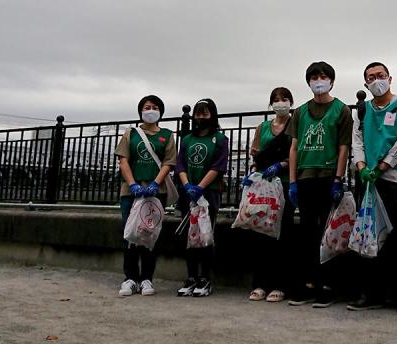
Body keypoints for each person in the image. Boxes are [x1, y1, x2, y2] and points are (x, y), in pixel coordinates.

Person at [349, 62, 397, 316]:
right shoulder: (362, 111)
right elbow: (356, 140)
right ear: (366, 83)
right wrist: (361, 166)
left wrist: (382, 166)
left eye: (380, 75)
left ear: (390, 78)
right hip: (367, 180)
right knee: (368, 237)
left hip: (395, 179)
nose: (376, 80)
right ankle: (370, 292)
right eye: (371, 77)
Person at [287, 61, 353, 308]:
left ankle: (328, 285)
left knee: (328, 233)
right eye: (314, 77)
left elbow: (343, 147)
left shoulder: (341, 110)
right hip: (304, 177)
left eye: (323, 76)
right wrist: (293, 181)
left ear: (332, 81)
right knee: (306, 233)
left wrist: (338, 178)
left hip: (327, 176)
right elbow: (294, 147)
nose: (319, 80)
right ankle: (308, 284)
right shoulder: (301, 112)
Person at [115, 94, 176, 297]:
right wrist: (132, 184)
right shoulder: (130, 133)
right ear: (141, 110)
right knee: (129, 234)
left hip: (156, 192)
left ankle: (147, 278)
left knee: (150, 234)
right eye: (147, 106)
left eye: (155, 107)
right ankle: (130, 278)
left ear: (160, 112)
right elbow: (123, 160)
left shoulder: (167, 135)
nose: (151, 110)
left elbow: (168, 163)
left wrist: (155, 183)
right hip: (130, 192)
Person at [242, 87, 297, 303]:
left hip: (284, 184)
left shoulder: (295, 125)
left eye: (284, 99)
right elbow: (255, 153)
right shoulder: (263, 127)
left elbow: (297, 153)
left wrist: (281, 165)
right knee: (260, 234)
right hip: (263, 187)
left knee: (283, 235)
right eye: (276, 100)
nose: (280, 103)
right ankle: (260, 283)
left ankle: (280, 284)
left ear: (291, 102)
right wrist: (253, 172)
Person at [175, 98, 229, 297]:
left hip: (209, 194)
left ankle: (205, 278)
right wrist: (187, 184)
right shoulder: (187, 139)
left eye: (205, 114)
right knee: (189, 237)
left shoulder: (221, 139)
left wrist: (200, 187)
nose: (200, 117)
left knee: (206, 235)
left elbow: (219, 166)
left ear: (212, 115)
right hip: (188, 194)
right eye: (198, 114)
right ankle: (191, 276)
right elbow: (180, 164)